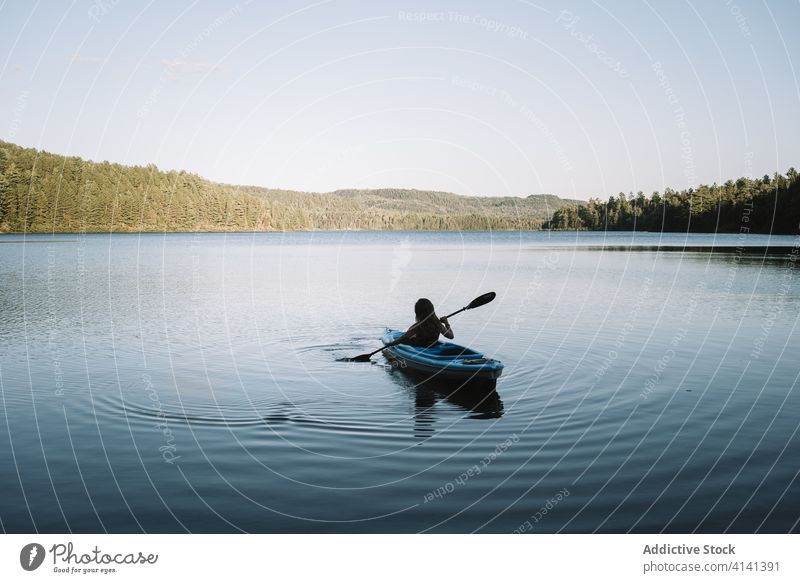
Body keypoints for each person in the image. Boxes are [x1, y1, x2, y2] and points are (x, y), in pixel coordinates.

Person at [385, 298, 454, 348]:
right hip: (432, 346)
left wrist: (390, 344)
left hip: (418, 346)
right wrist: (446, 322)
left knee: (407, 339)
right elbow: (451, 336)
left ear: (418, 313)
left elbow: (402, 338)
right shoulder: (438, 324)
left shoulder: (417, 326)